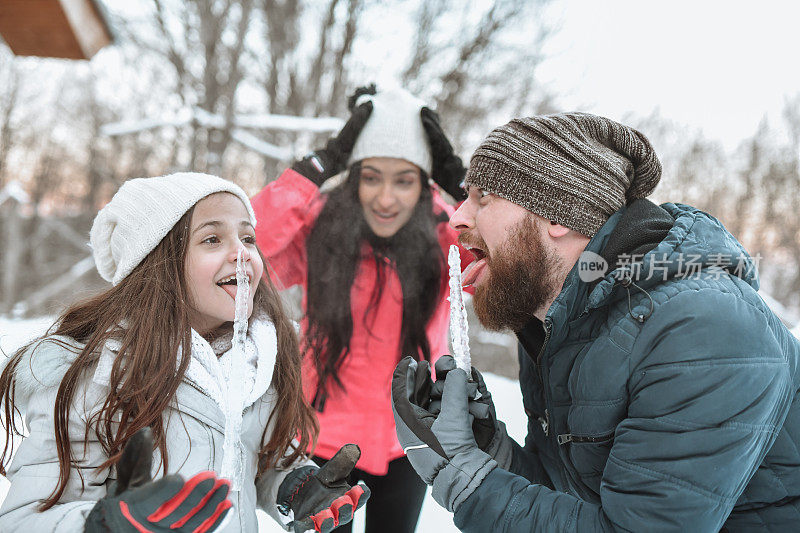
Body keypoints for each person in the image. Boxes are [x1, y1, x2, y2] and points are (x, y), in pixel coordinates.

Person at [392, 112, 800, 531]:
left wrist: (470, 482)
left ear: (558, 215)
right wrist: (489, 451)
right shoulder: (558, 320)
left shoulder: (701, 328)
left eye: (484, 197)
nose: (457, 217)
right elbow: (573, 498)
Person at [0, 173, 369, 533]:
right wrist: (105, 524)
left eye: (248, 237)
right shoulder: (97, 375)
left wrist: (295, 486)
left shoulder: (257, 359)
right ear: (158, 264)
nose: (241, 253)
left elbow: (257, 459)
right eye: (212, 239)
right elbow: (24, 519)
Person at [251, 85, 469, 532]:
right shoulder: (321, 227)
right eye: (371, 177)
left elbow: (509, 258)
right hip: (322, 440)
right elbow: (250, 251)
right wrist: (317, 167)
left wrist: (463, 186)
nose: (385, 198)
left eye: (404, 180)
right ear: (352, 177)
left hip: (409, 441)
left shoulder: (447, 235)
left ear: (425, 183)